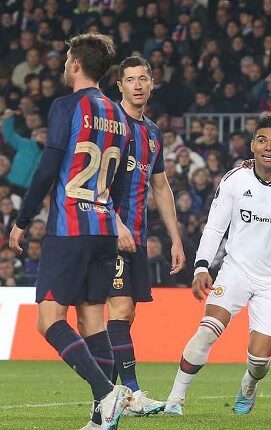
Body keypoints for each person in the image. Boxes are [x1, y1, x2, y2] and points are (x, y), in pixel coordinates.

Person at [8, 33, 133, 430]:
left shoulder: (67, 106)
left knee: (48, 320)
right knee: (92, 320)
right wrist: (111, 216)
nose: (64, 65)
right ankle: (102, 419)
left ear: (76, 64)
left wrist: (23, 218)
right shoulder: (119, 115)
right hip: (104, 228)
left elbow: (49, 166)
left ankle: (107, 392)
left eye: (66, 60)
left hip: (70, 227)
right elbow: (121, 183)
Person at [164, 115, 271, 416]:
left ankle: (249, 384)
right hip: (236, 270)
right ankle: (175, 399)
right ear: (252, 145)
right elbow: (214, 227)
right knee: (207, 331)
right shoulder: (235, 179)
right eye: (262, 140)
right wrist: (201, 267)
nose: (268, 147)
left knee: (259, 361)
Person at [105, 56, 186, 417]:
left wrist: (175, 238)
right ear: (119, 86)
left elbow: (161, 186)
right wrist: (116, 224)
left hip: (135, 234)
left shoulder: (152, 132)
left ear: (152, 84)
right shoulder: (110, 124)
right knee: (120, 309)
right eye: (130, 79)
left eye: (143, 79)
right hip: (108, 232)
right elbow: (94, 179)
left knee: (127, 316)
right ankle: (132, 395)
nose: (137, 85)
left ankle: (106, 398)